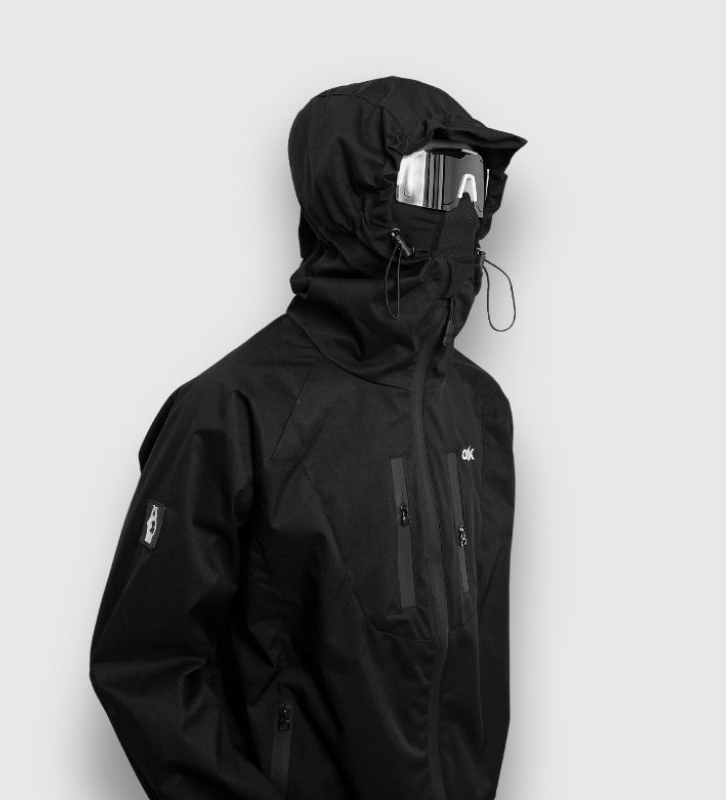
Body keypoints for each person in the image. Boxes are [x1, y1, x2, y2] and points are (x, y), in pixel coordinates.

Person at [90, 74, 527, 800]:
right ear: (353, 194)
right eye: (432, 179)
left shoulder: (480, 409)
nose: (460, 207)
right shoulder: (234, 410)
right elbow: (146, 665)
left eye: (475, 183)